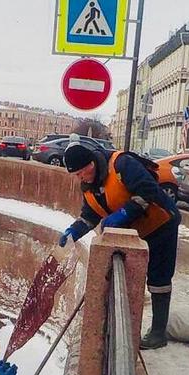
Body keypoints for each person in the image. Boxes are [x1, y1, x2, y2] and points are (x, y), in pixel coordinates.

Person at [59, 141, 181, 349]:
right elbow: (90, 215)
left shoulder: (121, 164)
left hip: (161, 223)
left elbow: (148, 192)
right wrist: (74, 231)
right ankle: (125, 331)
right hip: (137, 231)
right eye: (76, 175)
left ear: (91, 164)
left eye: (81, 172)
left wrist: (122, 214)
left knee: (158, 278)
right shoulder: (88, 186)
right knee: (130, 278)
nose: (80, 178)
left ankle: (158, 333)